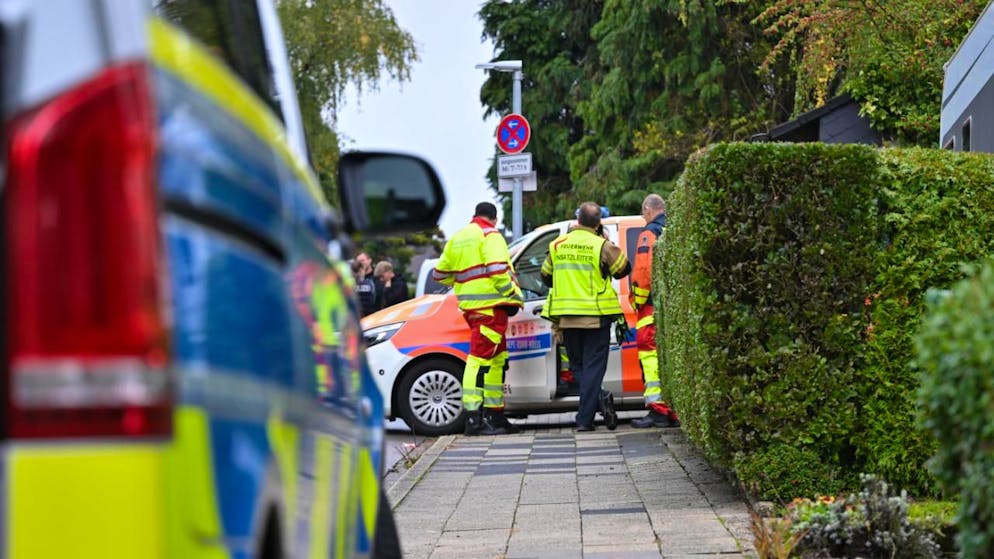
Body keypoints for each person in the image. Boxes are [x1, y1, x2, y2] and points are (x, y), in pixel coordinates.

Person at [432, 202, 524, 436]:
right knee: (478, 360)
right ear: (494, 218)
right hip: (491, 308)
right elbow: (496, 269)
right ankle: (474, 419)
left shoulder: (458, 237)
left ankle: (495, 415)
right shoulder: (490, 235)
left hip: (473, 310)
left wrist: (462, 283)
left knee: (496, 359)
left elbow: (439, 274)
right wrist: (512, 294)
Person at [541, 202, 630, 432]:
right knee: (593, 367)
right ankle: (586, 418)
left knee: (578, 367)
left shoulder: (557, 245)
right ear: (598, 223)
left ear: (577, 220)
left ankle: (595, 405)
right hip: (595, 317)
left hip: (567, 318)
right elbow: (623, 269)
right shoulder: (601, 245)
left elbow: (545, 276)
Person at [629, 194, 681, 428]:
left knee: (650, 356)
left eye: (643, 213)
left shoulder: (649, 232)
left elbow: (642, 270)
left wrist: (637, 301)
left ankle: (659, 410)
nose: (643, 217)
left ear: (648, 210)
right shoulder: (676, 228)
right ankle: (674, 409)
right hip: (673, 303)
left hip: (650, 307)